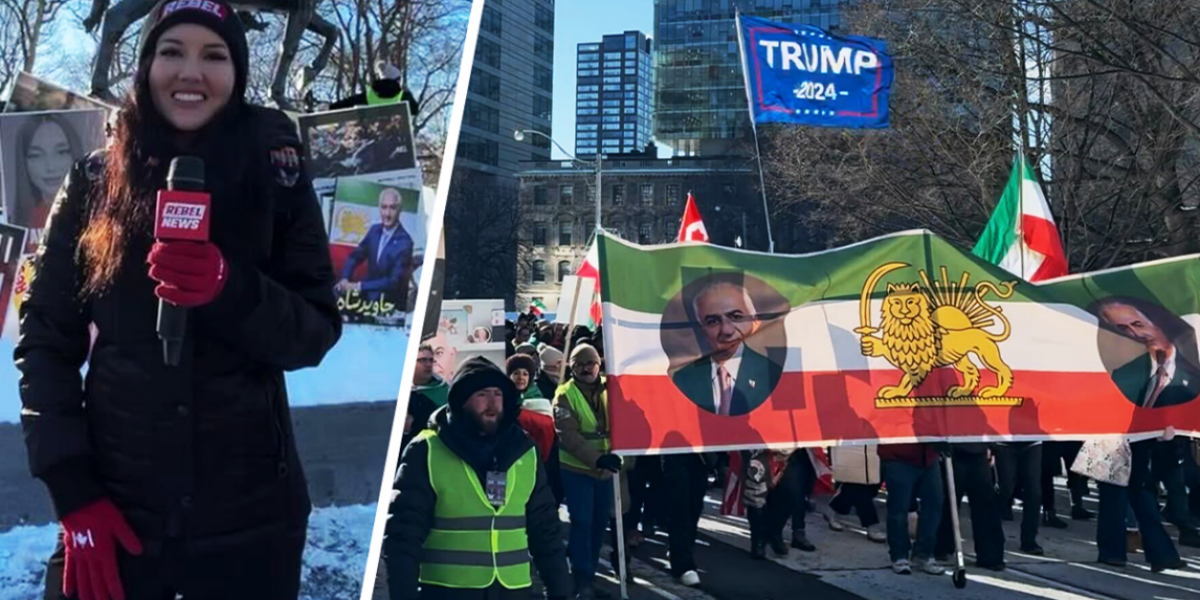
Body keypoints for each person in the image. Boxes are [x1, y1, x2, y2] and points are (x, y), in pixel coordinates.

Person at [16, 1, 343, 598]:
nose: (192, 72)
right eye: (172, 52)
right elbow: (44, 341)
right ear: (145, 66)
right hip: (118, 518)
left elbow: (315, 330)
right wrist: (74, 495)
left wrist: (230, 288)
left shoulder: (278, 179)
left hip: (253, 529)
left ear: (238, 74)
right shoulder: (93, 181)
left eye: (214, 55)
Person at [384, 356, 572, 600]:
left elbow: (545, 530)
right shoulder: (427, 450)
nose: (492, 403)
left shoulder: (524, 451)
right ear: (462, 401)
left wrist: (561, 592)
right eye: (482, 394)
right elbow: (403, 537)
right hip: (447, 592)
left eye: (498, 394)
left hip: (514, 590)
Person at [554, 344, 622, 600]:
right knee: (582, 523)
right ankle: (582, 578)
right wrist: (597, 459)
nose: (586, 369)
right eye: (580, 364)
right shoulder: (564, 395)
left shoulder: (613, 388)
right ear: (572, 367)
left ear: (599, 364)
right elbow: (567, 436)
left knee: (599, 525)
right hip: (577, 470)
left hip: (606, 471)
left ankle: (590, 572)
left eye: (590, 363)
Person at [670, 280, 782, 416]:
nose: (726, 330)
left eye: (736, 317)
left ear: (755, 322)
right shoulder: (683, 380)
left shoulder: (772, 375)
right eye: (713, 322)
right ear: (700, 330)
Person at [1095, 436, 1184, 571]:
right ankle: (1162, 553)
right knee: (1140, 496)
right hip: (1137, 441)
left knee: (1114, 498)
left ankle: (1113, 552)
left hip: (1111, 441)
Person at [1097, 298, 1200, 408]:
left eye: (1137, 324)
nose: (1135, 333)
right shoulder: (1123, 375)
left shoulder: (1193, 369)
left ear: (1157, 321)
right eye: (1124, 328)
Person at [334, 187, 414, 306]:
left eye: (392, 208)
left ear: (400, 210)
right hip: (365, 292)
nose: (387, 214)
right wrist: (345, 279)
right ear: (379, 208)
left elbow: (393, 282)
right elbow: (354, 257)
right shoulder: (374, 230)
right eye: (384, 207)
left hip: (386, 299)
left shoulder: (405, 242)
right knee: (333, 293)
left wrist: (358, 286)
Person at [879, 443, 943, 575]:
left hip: (929, 455)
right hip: (899, 455)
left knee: (934, 503)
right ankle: (899, 555)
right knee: (899, 507)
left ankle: (923, 554)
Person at [12, 113, 86, 228]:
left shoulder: (96, 213)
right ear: (24, 162)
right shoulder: (22, 220)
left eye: (61, 152)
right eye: (36, 155)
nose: (50, 167)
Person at [994, 441, 1045, 554]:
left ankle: (1029, 540)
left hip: (1032, 442)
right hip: (1004, 443)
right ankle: (992, 535)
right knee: (1005, 489)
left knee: (1034, 492)